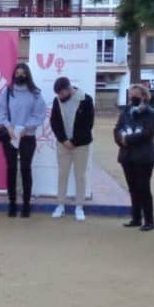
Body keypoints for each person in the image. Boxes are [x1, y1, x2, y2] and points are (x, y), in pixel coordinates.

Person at [0, 62, 47, 218]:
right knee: (11, 169)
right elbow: (1, 111)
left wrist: (27, 127)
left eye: (23, 73)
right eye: (17, 73)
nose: (20, 75)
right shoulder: (7, 91)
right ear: (14, 74)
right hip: (10, 136)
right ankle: (12, 204)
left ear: (28, 75)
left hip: (27, 137)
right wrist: (8, 126)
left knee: (26, 169)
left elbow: (39, 114)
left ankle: (26, 205)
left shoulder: (35, 93)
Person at [48, 76, 94, 221]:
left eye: (61, 93)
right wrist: (63, 140)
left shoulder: (86, 99)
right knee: (62, 174)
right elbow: (54, 121)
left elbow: (88, 124)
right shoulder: (57, 101)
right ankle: (60, 205)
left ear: (69, 89)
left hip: (81, 145)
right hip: (63, 145)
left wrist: (74, 141)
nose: (59, 97)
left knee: (80, 176)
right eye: (57, 94)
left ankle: (79, 206)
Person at [114, 83, 154, 230]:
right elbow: (118, 128)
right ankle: (136, 218)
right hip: (127, 156)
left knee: (143, 188)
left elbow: (148, 133)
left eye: (136, 95)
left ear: (144, 96)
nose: (132, 97)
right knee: (132, 188)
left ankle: (149, 221)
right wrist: (120, 139)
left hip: (144, 156)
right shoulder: (125, 111)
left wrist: (128, 140)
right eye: (130, 94)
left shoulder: (150, 113)